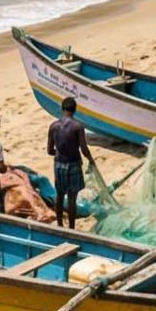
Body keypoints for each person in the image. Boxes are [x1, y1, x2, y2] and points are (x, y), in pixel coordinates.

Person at [44, 96, 89, 228]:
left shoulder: (53, 126)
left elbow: (49, 150)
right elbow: (84, 148)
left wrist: (59, 153)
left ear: (62, 109)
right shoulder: (78, 126)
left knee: (59, 195)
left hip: (59, 163)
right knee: (72, 198)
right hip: (73, 163)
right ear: (74, 110)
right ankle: (71, 227)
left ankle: (59, 224)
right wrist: (90, 159)